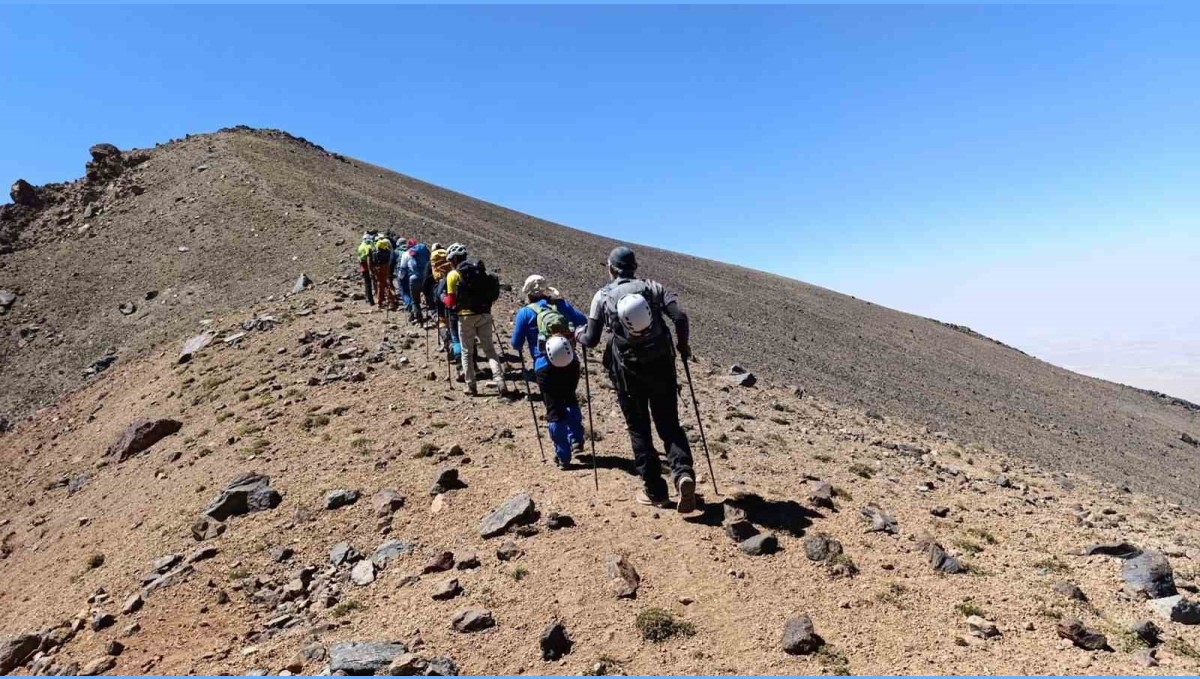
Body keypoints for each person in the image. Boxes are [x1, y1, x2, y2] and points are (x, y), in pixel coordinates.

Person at [576, 246, 696, 513]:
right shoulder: (653, 287)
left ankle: (655, 491)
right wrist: (683, 346)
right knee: (669, 424)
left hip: (627, 374)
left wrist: (578, 335)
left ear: (611, 268)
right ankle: (683, 474)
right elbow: (680, 317)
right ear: (634, 267)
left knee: (639, 429)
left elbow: (592, 339)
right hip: (662, 367)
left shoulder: (602, 296)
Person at [510, 275, 589, 468]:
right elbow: (583, 321)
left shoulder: (525, 313)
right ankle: (576, 440)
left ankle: (563, 456)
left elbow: (515, 344)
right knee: (570, 398)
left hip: (544, 366)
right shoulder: (561, 305)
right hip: (570, 362)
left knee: (554, 409)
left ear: (528, 294)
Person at [441, 243, 509, 397]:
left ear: (455, 259)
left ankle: (471, 386)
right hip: (484, 314)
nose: (450, 263)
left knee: (466, 351)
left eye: (451, 260)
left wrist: (442, 298)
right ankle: (500, 381)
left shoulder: (453, 275)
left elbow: (451, 303)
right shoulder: (479, 270)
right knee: (490, 350)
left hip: (465, 317)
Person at [403, 239, 431, 323]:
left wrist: (401, 277)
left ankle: (418, 317)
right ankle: (434, 315)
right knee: (428, 297)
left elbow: (405, 266)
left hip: (414, 279)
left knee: (415, 300)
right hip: (426, 278)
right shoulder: (424, 250)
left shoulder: (409, 254)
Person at [370, 232, 397, 309]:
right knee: (385, 283)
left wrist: (372, 270)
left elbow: (372, 260)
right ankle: (388, 300)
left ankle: (383, 301)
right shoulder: (386, 247)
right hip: (386, 267)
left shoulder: (375, 248)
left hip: (378, 268)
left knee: (381, 284)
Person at [356, 233, 375, 306]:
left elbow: (359, 257)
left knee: (366, 284)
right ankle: (371, 300)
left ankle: (367, 298)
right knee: (369, 284)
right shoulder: (367, 247)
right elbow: (368, 258)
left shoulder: (360, 246)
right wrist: (370, 270)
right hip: (367, 267)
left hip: (362, 267)